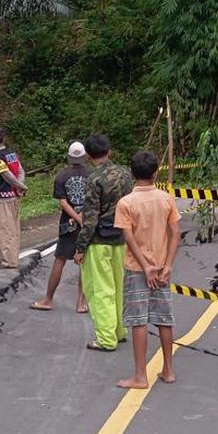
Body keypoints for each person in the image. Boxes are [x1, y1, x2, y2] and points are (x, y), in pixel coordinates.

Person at [113, 150, 181, 389]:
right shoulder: (166, 199)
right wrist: (167, 265)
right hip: (162, 268)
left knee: (138, 320)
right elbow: (175, 233)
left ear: (132, 173)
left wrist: (145, 266)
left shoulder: (126, 203)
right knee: (164, 318)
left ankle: (140, 376)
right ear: (155, 173)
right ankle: (169, 369)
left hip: (136, 269)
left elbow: (128, 236)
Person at [74, 133, 133, 351]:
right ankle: (119, 330)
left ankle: (106, 338)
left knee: (101, 290)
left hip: (99, 240)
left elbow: (90, 218)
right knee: (118, 287)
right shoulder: (125, 174)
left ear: (89, 155)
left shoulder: (94, 179)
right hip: (121, 238)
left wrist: (80, 247)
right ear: (109, 151)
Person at [30, 141, 90, 312]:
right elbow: (93, 200)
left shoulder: (62, 176)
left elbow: (63, 203)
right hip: (88, 223)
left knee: (60, 259)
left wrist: (75, 217)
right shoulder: (92, 175)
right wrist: (82, 217)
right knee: (85, 262)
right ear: (85, 156)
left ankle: (48, 299)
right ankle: (81, 303)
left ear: (69, 157)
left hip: (67, 224)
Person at [0, 128, 27, 269]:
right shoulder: (11, 154)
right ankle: (13, 258)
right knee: (14, 228)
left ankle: (8, 261)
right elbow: (20, 170)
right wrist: (20, 187)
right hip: (14, 196)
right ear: (3, 138)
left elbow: (6, 174)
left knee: (4, 229)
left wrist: (21, 186)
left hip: (2, 198)